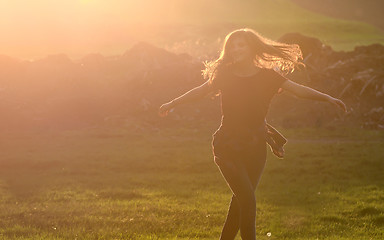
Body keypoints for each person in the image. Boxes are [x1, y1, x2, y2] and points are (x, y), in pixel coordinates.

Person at [159, 28, 346, 240]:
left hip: (256, 147)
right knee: (247, 200)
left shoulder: (268, 77)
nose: (236, 49)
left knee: (240, 201)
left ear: (252, 48)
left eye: (241, 45)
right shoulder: (225, 75)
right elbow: (201, 91)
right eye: (232, 46)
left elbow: (299, 89)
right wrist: (173, 103)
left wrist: (328, 98)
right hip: (227, 145)